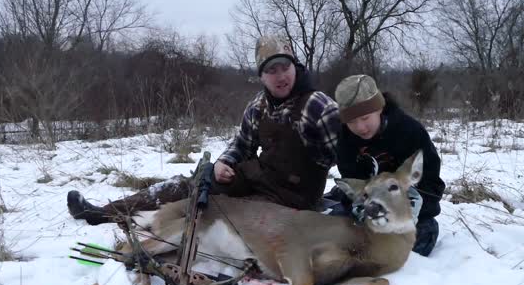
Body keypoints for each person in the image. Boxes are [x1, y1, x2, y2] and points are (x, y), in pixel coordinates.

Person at [68, 34, 341, 224]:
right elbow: (241, 145)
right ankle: (104, 213)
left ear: (296, 66)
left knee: (222, 214)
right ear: (261, 76)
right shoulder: (257, 106)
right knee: (195, 184)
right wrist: (225, 161)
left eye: (285, 66)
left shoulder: (319, 107)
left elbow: (348, 156)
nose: (280, 75)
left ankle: (166, 227)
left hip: (293, 201)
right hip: (260, 180)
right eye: (271, 70)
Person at [324, 74, 445, 256]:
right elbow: (354, 185)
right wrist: (363, 213)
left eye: (365, 118)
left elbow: (432, 187)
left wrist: (401, 214)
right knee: (332, 234)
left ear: (379, 108)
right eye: (352, 121)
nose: (361, 127)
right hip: (368, 210)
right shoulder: (346, 140)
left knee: (412, 245)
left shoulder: (410, 132)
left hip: (408, 211)